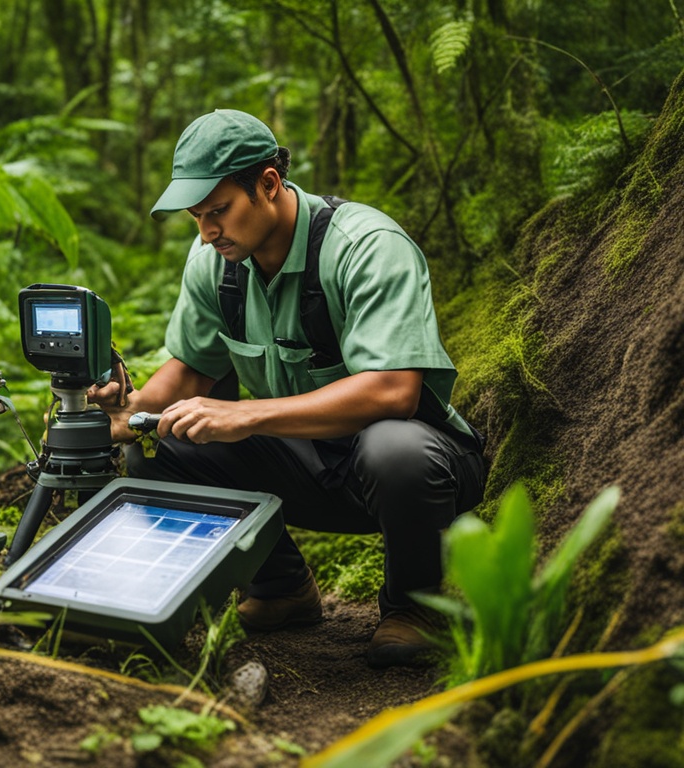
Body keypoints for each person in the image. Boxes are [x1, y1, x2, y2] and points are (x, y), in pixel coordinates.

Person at [90, 109, 486, 668]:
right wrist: (125, 414)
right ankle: (281, 589)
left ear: (269, 185)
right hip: (307, 464)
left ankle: (413, 606)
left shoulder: (366, 246)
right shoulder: (215, 262)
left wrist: (248, 416)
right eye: (196, 216)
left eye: (219, 211)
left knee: (395, 448)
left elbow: (394, 391)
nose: (206, 231)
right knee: (160, 442)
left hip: (418, 472)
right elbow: (192, 369)